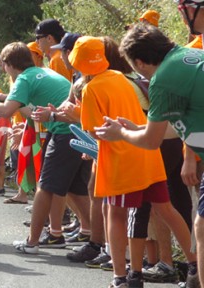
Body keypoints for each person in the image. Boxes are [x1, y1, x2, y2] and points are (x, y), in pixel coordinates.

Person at [96, 23, 202, 288]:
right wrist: (139, 128)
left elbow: (151, 142)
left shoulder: (162, 78)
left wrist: (121, 134)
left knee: (201, 229)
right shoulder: (189, 56)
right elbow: (172, 129)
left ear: (140, 63)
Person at [0, 42, 91, 254]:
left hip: (63, 130)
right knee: (75, 188)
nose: (3, 69)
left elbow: (5, 112)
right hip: (78, 129)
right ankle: (89, 232)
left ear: (8, 64)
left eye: (3, 65)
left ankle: (33, 241)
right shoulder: (42, 71)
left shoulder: (23, 78)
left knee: (45, 187)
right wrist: (2, 99)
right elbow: (28, 108)